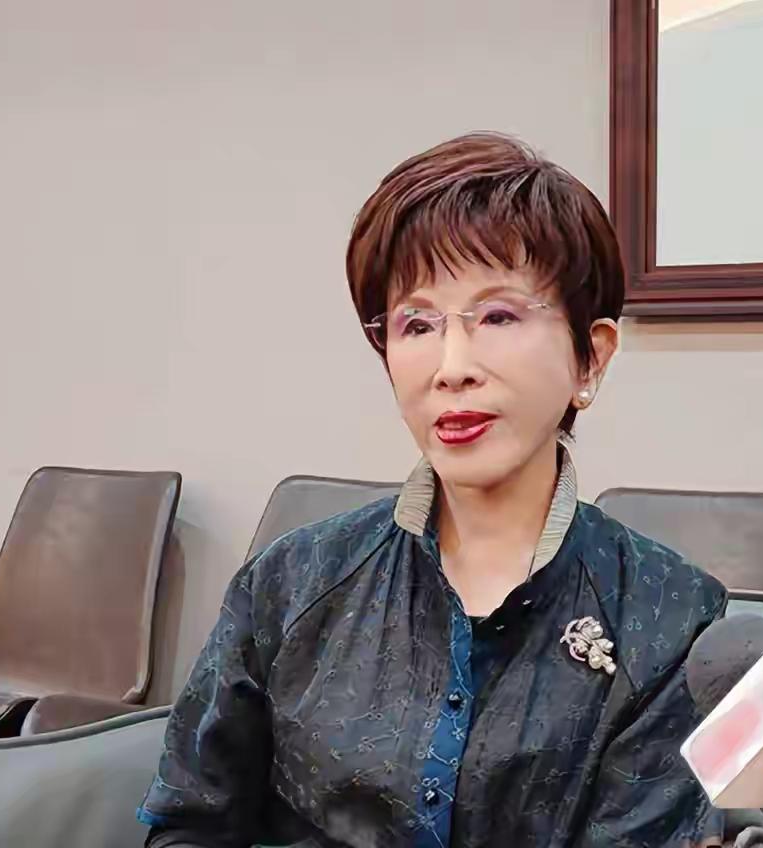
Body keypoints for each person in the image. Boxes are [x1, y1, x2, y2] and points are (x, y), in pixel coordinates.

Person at [139, 132, 726, 847]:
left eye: (499, 316)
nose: (452, 367)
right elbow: (191, 822)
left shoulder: (669, 618)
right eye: (417, 323)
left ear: (589, 358)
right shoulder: (291, 582)